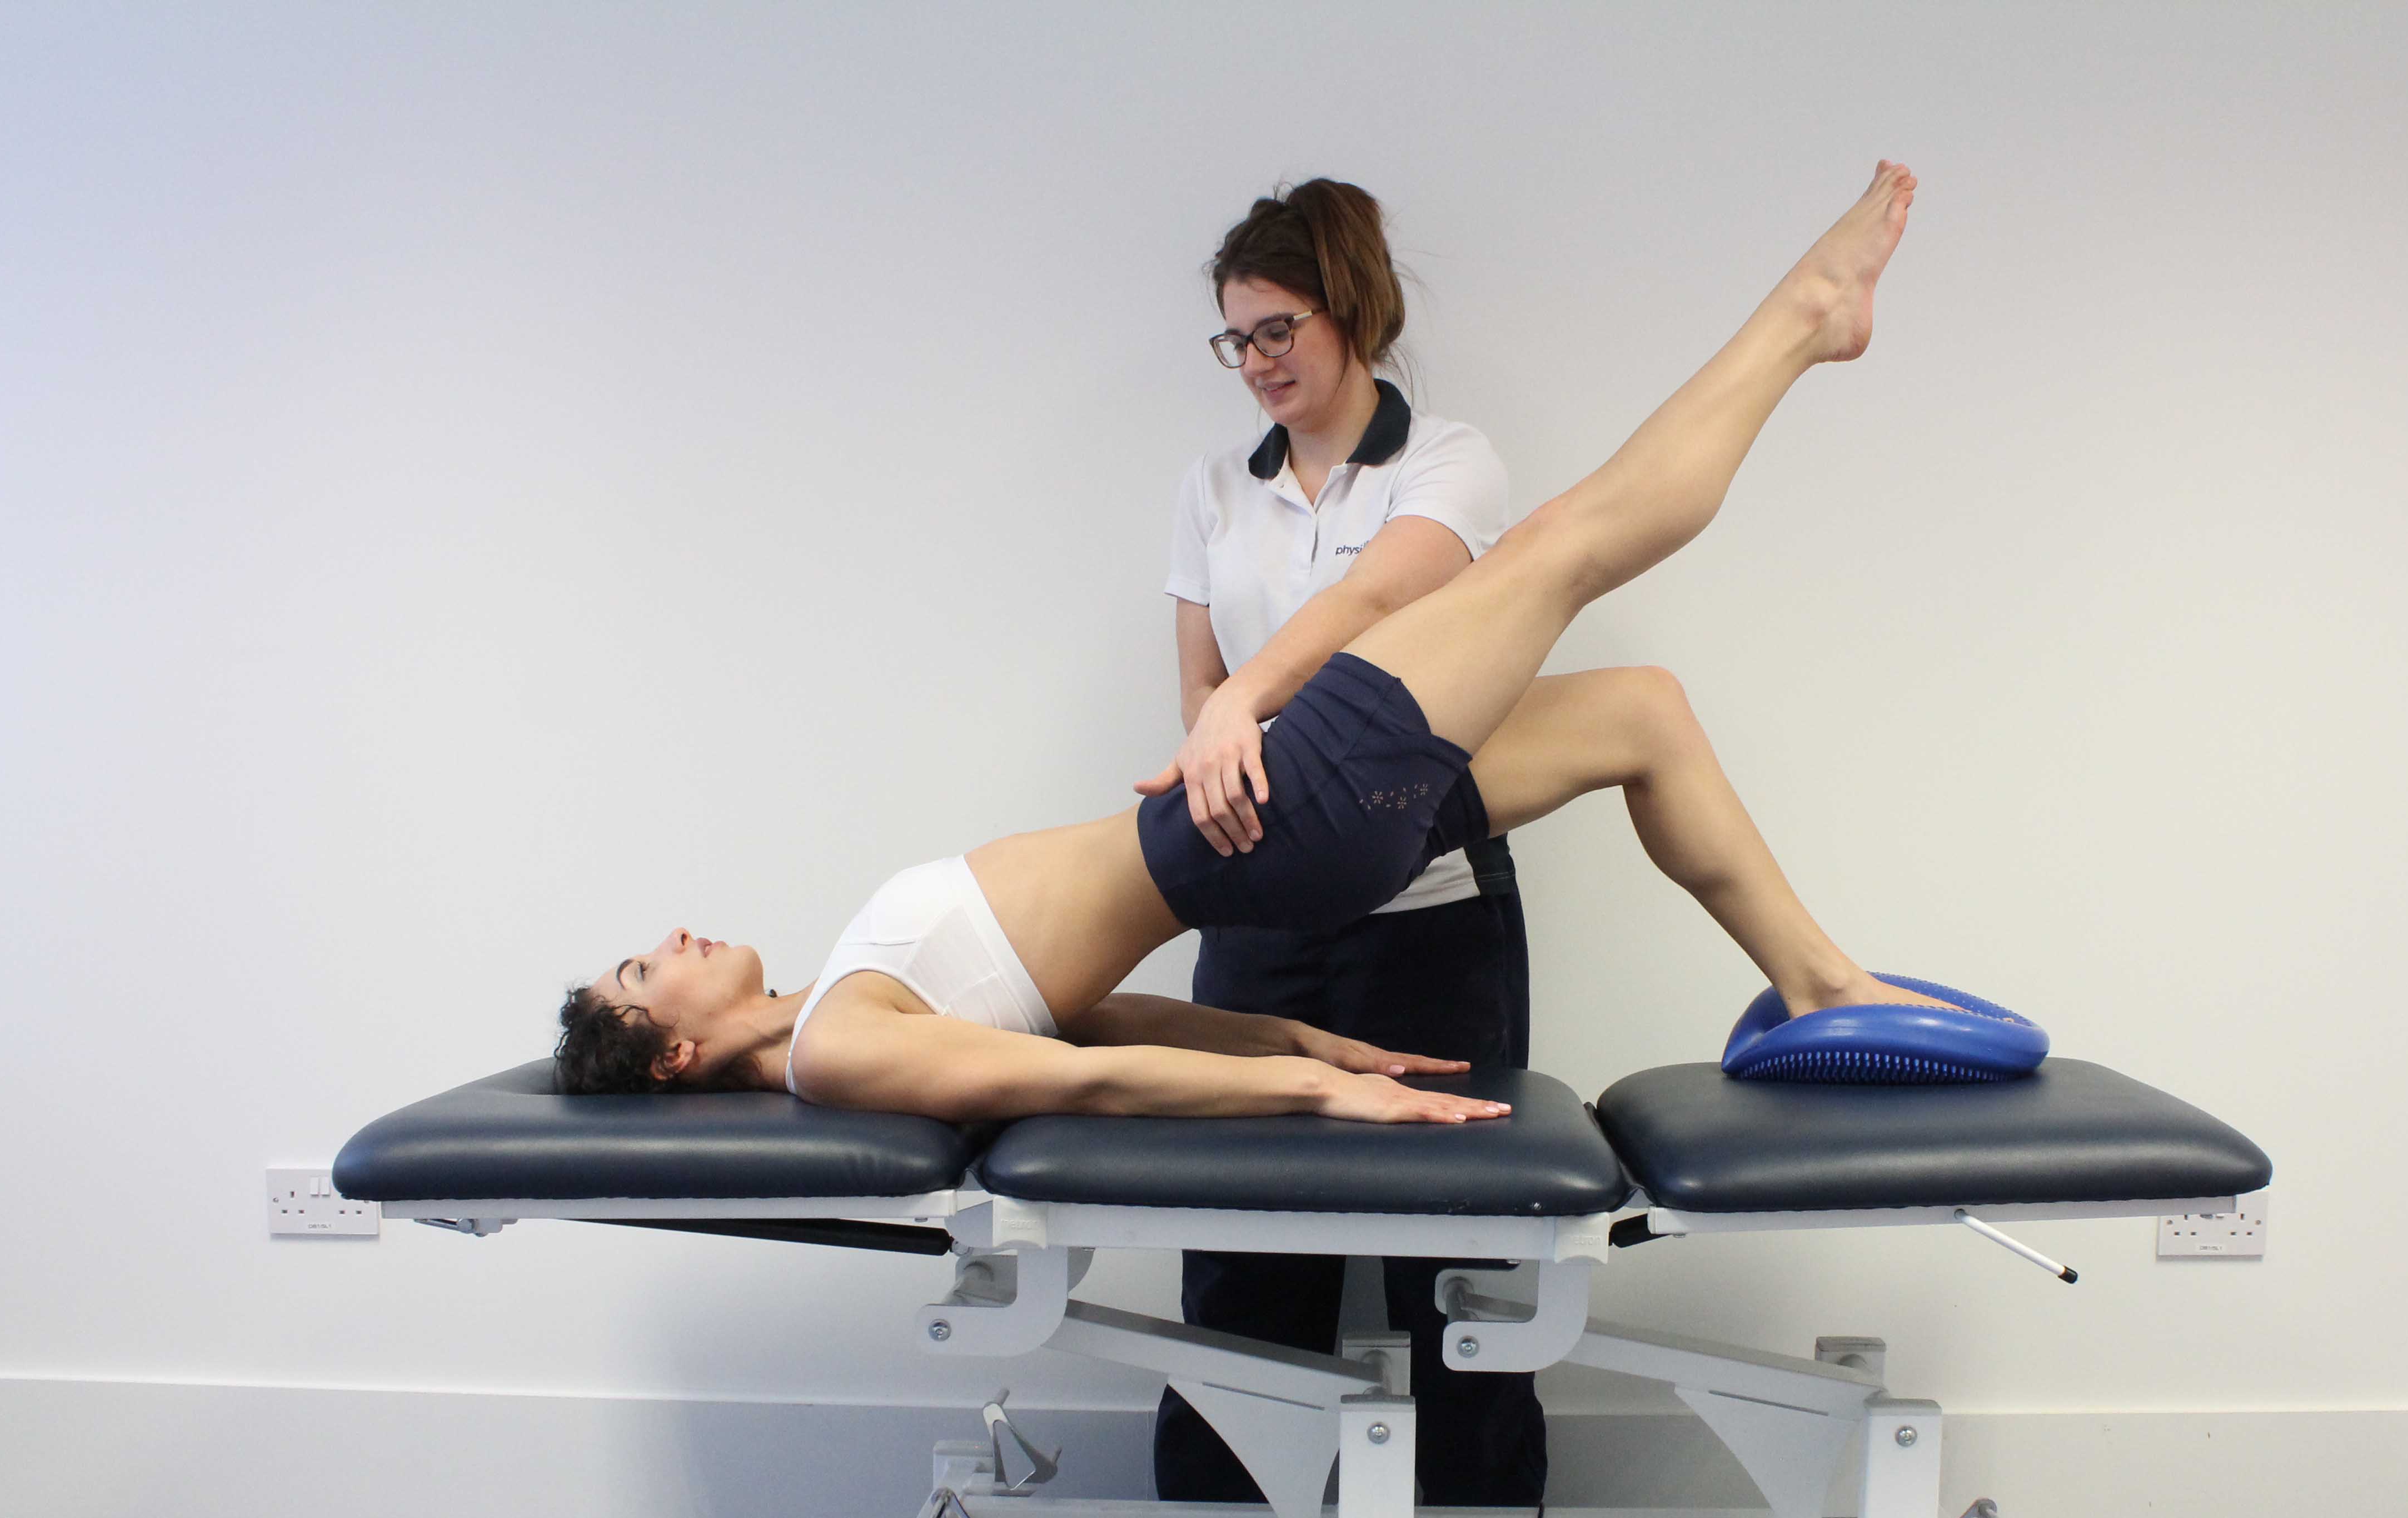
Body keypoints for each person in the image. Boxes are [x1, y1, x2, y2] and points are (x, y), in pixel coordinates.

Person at [556, 163, 1942, 1150]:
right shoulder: (836, 1049)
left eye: (1281, 328)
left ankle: (1821, 979)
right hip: (1275, 829)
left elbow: (1090, 1031)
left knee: (1639, 706)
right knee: (1577, 542)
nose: (667, 938)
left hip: (1274, 828)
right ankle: (1810, 318)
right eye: (642, 970)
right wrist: (1323, 1098)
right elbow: (1084, 1093)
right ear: (674, 1051)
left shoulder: (839, 1009)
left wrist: (1294, 1045)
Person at [1140, 180, 1538, 1507]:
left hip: (1430, 917)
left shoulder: (1449, 463)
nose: (1256, 365)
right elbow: (1200, 686)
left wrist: (1254, 705)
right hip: (1260, 915)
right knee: (1242, 1255)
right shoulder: (1210, 488)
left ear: (1352, 308)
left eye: (1277, 331)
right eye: (1235, 342)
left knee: (1456, 1254)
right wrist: (1219, 752)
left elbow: (1381, 598)